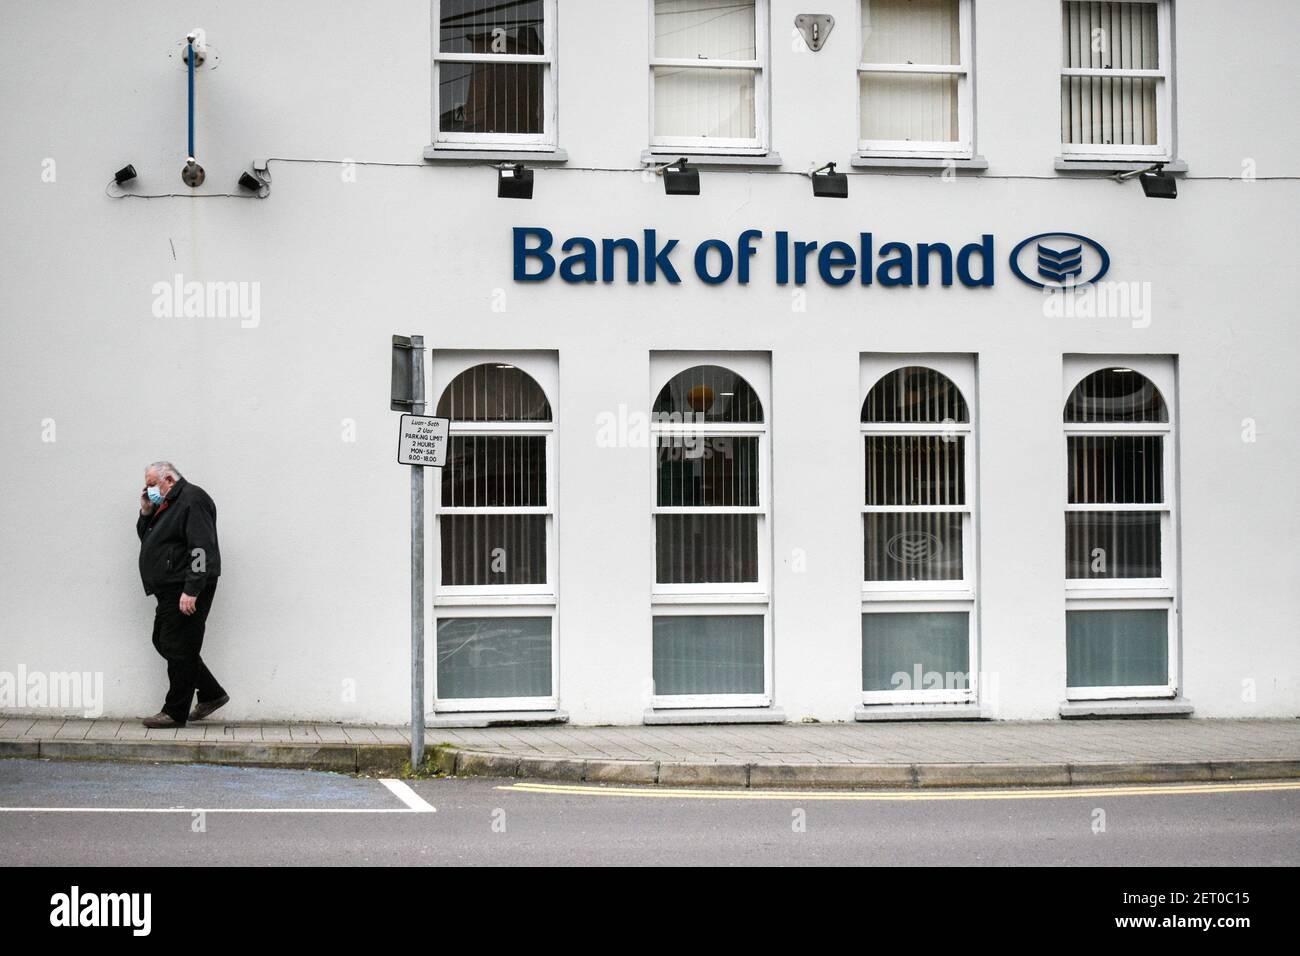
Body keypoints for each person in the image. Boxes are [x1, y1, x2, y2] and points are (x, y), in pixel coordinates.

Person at [136, 461, 228, 728]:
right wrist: (145, 512)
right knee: (164, 642)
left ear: (169, 479)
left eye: (152, 484)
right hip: (169, 587)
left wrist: (192, 589)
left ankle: (174, 712)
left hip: (185, 586)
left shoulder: (192, 499)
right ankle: (211, 693)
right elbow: (149, 539)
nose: (148, 489)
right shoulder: (166, 504)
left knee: (178, 647)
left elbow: (200, 547)